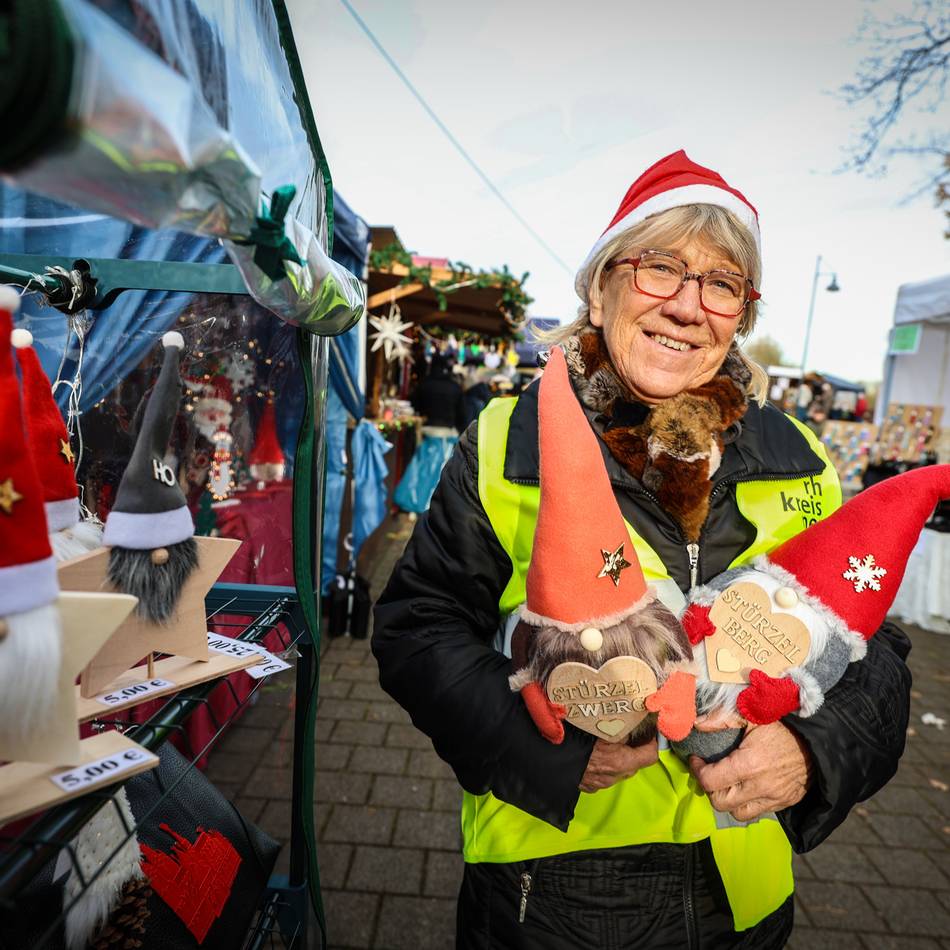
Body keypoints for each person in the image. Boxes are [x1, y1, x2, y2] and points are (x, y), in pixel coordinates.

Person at [373, 150, 911, 948]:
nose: (689, 306)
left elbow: (872, 646)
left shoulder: (798, 456)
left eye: (722, 283)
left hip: (746, 890)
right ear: (600, 289)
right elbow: (418, 627)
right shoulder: (509, 440)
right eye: (660, 267)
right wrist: (541, 752)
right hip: (554, 892)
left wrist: (814, 750)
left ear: (740, 316)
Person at [392, 353, 466, 515]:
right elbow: (462, 415)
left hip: (428, 433)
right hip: (448, 434)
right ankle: (434, 506)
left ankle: (416, 503)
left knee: (421, 472)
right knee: (440, 473)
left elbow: (415, 405)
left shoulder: (425, 384)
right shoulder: (455, 387)